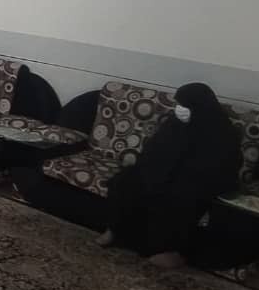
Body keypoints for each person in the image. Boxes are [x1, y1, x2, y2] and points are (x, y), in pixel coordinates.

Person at [96, 83, 242, 269]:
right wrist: (154, 171)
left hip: (195, 182)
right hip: (160, 171)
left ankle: (168, 251)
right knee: (125, 180)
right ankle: (114, 231)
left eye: (185, 105)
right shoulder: (174, 122)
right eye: (178, 103)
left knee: (178, 197)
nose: (180, 109)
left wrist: (174, 176)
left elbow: (219, 169)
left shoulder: (223, 133)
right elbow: (153, 149)